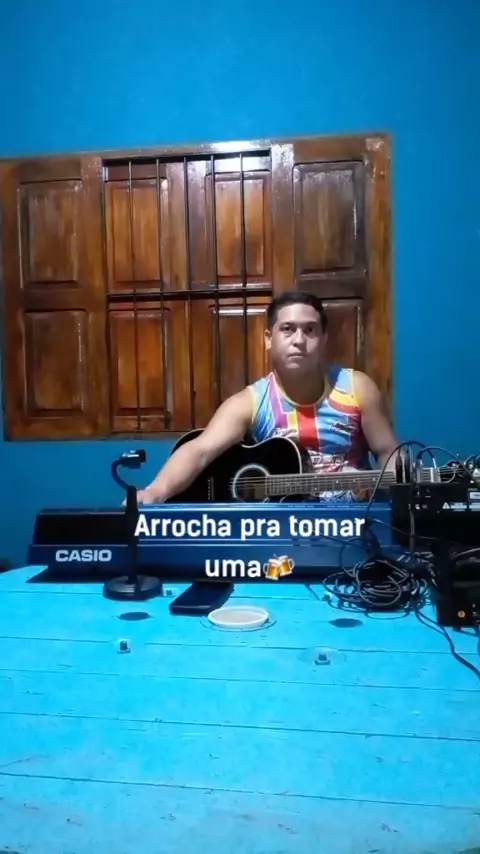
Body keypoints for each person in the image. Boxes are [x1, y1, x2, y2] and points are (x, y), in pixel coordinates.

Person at [136, 290, 400, 504]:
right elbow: (200, 450)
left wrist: (393, 489)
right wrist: (154, 492)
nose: (299, 340)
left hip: (354, 526)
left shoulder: (356, 388)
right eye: (288, 329)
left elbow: (388, 451)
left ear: (323, 340)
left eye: (310, 330)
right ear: (268, 339)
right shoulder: (251, 402)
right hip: (283, 529)